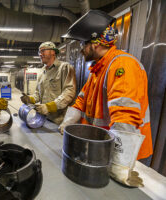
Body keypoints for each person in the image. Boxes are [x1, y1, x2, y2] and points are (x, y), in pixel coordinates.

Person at [59, 10, 153, 187]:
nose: (80, 49)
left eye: (82, 44)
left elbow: (125, 117)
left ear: (94, 44)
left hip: (125, 158)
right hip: (100, 152)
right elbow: (81, 101)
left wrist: (118, 165)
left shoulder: (122, 66)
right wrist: (67, 124)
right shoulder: (97, 71)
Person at [20, 41, 76, 125]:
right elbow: (38, 94)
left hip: (59, 121)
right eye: (39, 52)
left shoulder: (64, 68)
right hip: (44, 118)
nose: (40, 54)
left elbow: (69, 92)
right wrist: (29, 99)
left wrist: (50, 107)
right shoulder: (42, 73)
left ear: (53, 52)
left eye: (43, 51)